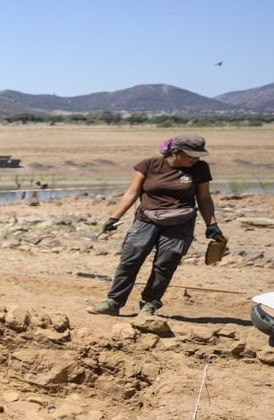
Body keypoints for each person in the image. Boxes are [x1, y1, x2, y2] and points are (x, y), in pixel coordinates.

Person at [89, 135, 223, 317]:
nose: (196, 159)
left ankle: (150, 303)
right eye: (191, 155)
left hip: (180, 222)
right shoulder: (149, 165)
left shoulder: (200, 168)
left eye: (199, 155)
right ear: (176, 152)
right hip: (147, 220)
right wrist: (114, 218)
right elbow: (132, 193)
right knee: (130, 260)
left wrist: (212, 225)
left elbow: (204, 198)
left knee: (166, 262)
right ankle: (114, 302)